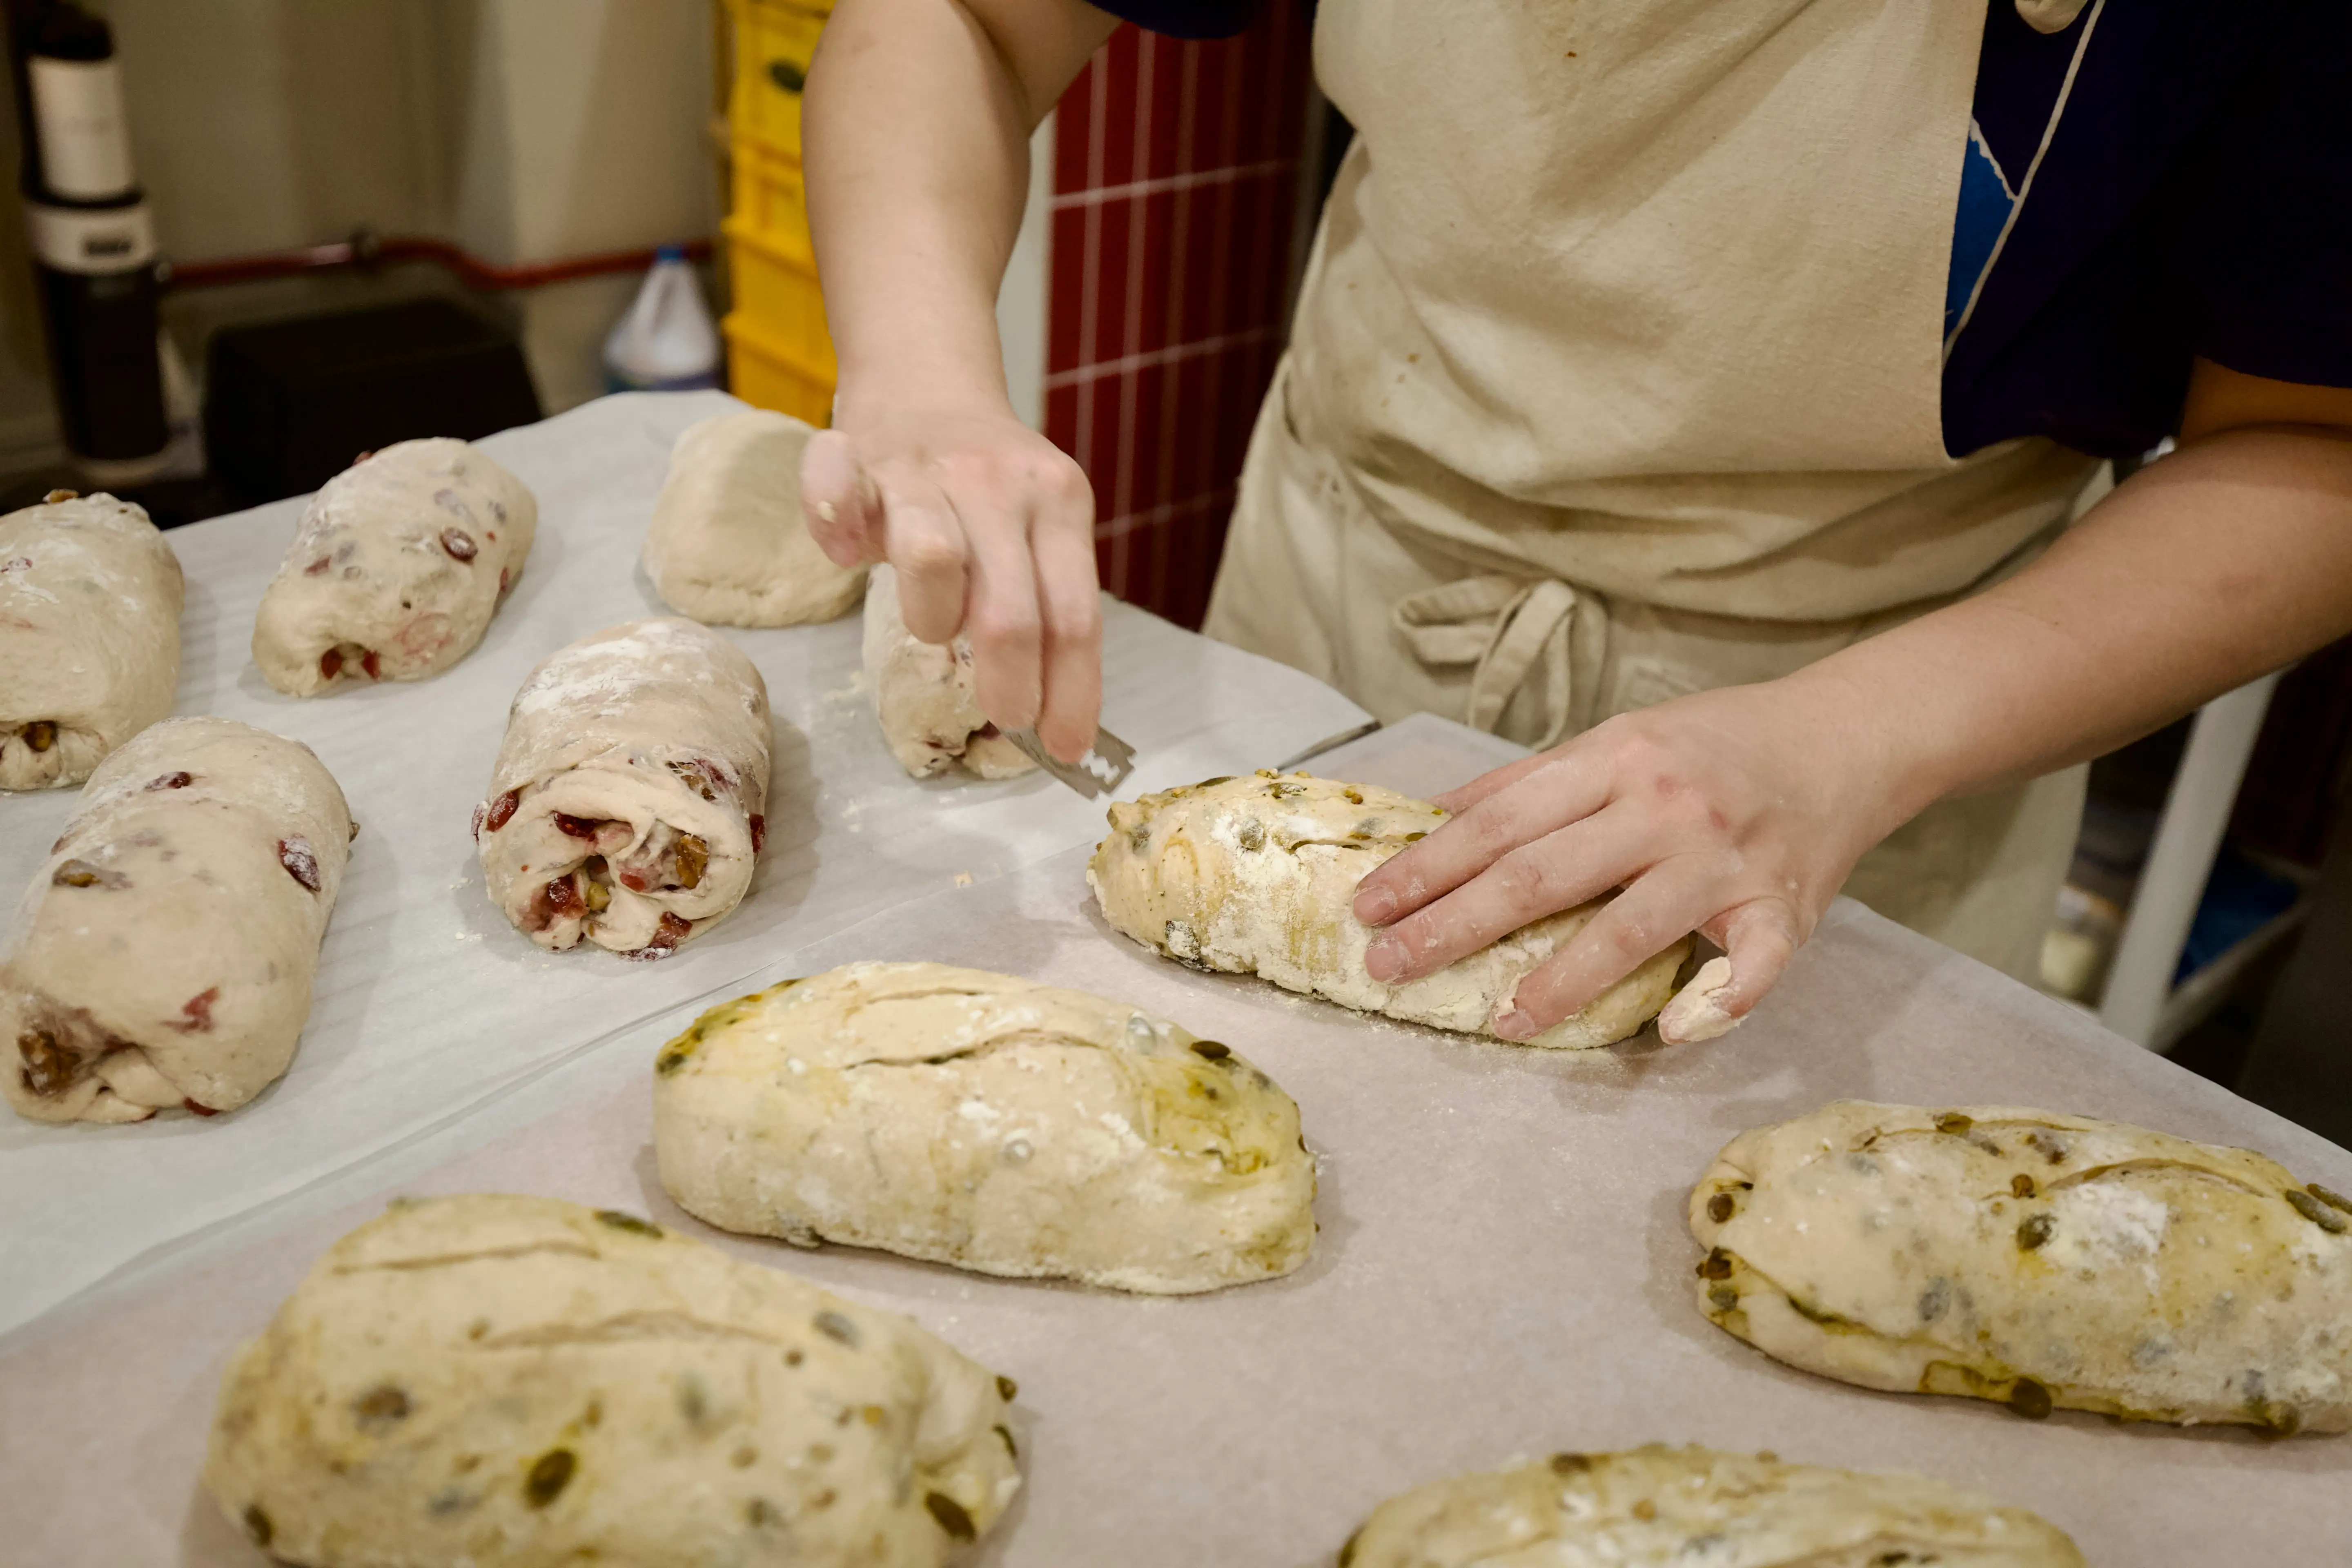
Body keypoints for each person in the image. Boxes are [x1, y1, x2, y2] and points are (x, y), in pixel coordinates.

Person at [797, 0, 2352, 1043]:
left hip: (1873, 735)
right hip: (1341, 600)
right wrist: (926, 374)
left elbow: (2308, 449)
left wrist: (1846, 742)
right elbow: (964, 23)